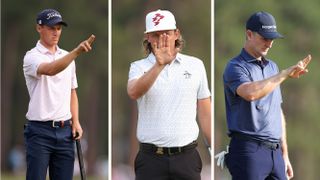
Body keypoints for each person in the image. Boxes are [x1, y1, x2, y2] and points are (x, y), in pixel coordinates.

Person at [222, 11, 311, 180]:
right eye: (264, 38)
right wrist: (284, 74)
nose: (269, 44)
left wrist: (284, 154)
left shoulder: (272, 67)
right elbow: (250, 93)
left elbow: (276, 110)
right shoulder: (235, 66)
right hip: (248, 150)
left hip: (275, 153)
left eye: (272, 39)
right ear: (249, 34)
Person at [127, 9, 211, 180]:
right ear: (148, 38)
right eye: (156, 35)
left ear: (176, 34)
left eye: (166, 34)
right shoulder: (138, 67)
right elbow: (134, 92)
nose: (161, 40)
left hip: (186, 158)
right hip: (150, 159)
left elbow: (205, 112)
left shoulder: (196, 65)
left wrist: (213, 147)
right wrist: (159, 65)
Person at [23, 9, 95, 180]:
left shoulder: (67, 57)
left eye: (59, 28)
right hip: (39, 132)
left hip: (65, 132)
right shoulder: (31, 57)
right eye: (51, 28)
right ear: (39, 28)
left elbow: (72, 92)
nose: (56, 32)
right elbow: (51, 69)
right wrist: (76, 52)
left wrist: (76, 121)